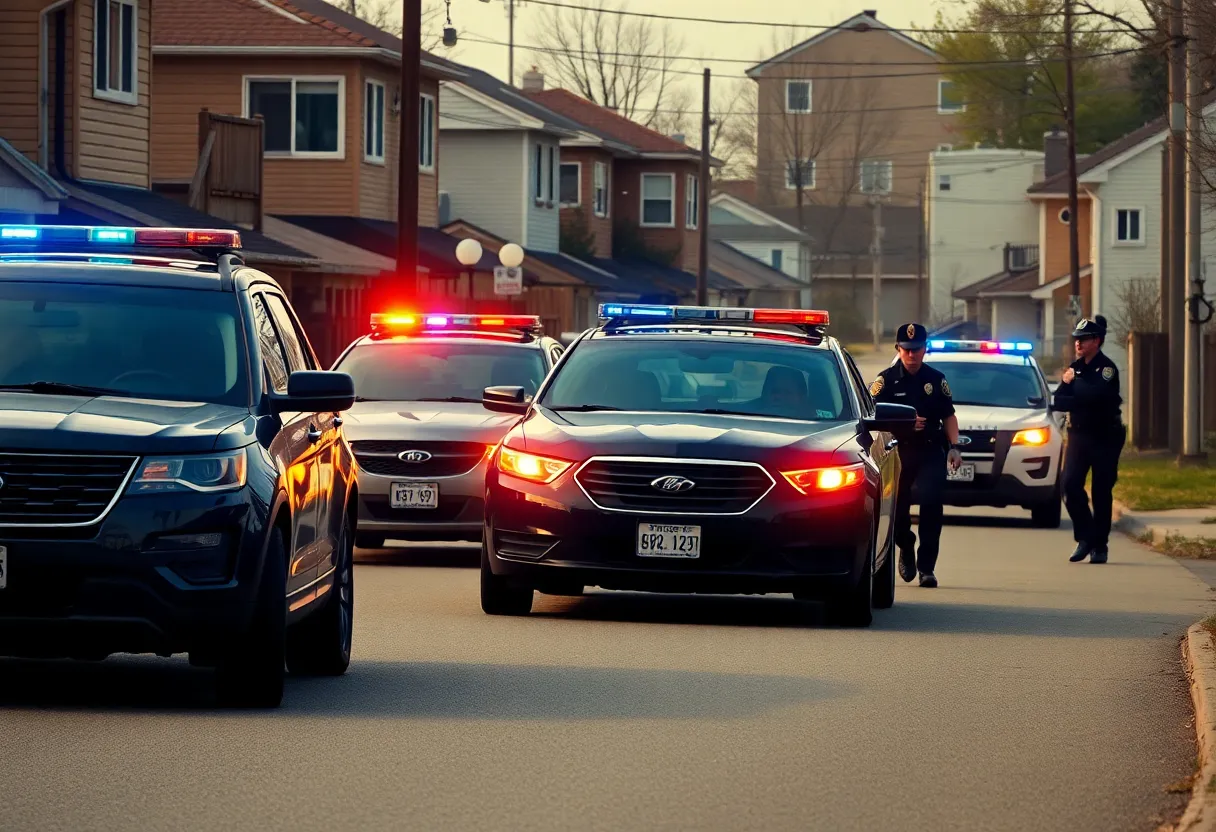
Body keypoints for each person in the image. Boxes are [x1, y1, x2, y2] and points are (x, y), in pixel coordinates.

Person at [869, 323, 964, 588]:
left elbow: (949, 416)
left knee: (932, 503)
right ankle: (906, 545)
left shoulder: (935, 379)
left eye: (917, 350)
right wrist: (903, 424)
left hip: (931, 450)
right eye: (907, 350)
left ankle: (927, 568)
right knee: (896, 509)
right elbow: (871, 417)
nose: (912, 355)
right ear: (898, 349)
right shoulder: (885, 381)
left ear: (925, 350)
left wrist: (955, 447)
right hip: (897, 452)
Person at [1052, 315, 1125, 564]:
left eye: (1083, 339)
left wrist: (1076, 385)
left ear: (1097, 340)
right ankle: (1086, 536)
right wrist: (1075, 389)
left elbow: (1097, 396)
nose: (1078, 344)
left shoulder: (1106, 369)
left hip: (1105, 436)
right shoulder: (1076, 367)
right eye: (1076, 340)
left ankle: (1100, 546)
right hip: (1079, 435)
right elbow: (1058, 400)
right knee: (1069, 485)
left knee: (1101, 490)